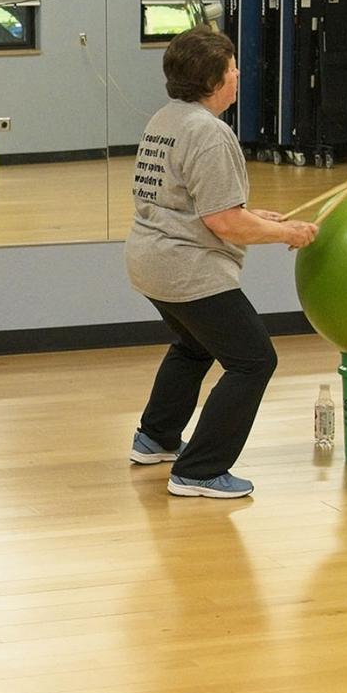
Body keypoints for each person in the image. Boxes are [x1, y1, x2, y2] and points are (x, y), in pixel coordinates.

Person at [124, 25, 316, 500]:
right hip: (188, 269)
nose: (237, 75)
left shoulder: (166, 119)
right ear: (213, 80)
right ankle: (200, 470)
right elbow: (224, 223)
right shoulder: (210, 134)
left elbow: (195, 203)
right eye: (232, 68)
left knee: (193, 345)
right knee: (253, 360)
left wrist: (259, 218)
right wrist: (287, 233)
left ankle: (156, 437)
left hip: (150, 261)